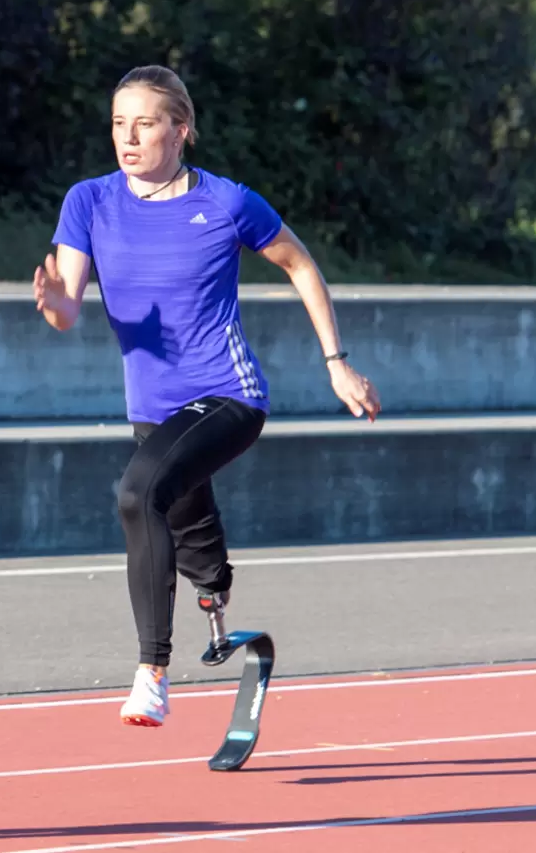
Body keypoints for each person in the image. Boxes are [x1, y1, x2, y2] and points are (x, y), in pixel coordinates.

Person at [32, 65, 382, 728]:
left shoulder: (226, 202)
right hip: (154, 408)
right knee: (187, 525)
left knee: (139, 493)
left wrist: (336, 362)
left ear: (182, 130)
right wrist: (54, 303)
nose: (127, 138)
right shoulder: (89, 201)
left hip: (229, 395)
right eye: (117, 124)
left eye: (145, 123)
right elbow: (69, 307)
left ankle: (151, 673)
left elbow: (300, 263)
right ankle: (217, 594)